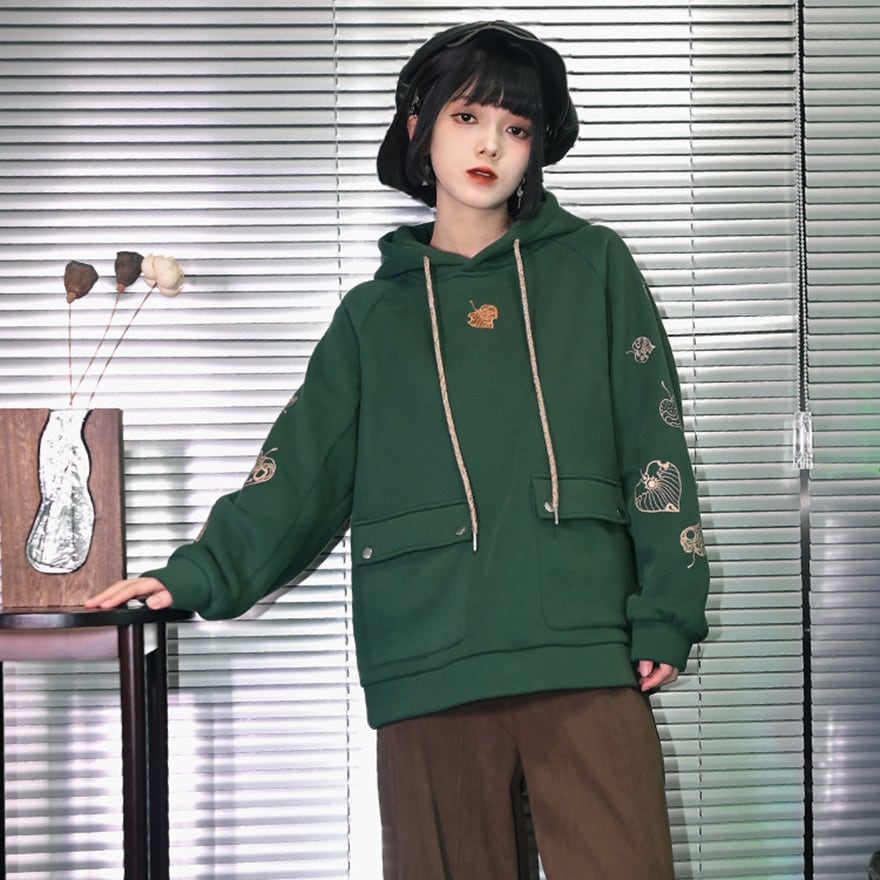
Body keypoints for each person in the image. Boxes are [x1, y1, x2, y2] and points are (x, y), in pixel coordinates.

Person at [88, 21, 710, 879]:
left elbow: (654, 445)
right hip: (427, 662)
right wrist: (198, 573)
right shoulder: (372, 317)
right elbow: (300, 472)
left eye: (517, 127)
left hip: (583, 649)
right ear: (419, 126)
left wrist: (668, 609)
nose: (490, 145)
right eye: (468, 116)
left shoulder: (596, 267)